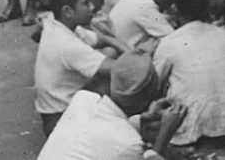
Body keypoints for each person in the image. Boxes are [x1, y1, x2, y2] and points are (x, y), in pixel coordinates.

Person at [37, 52, 188, 160]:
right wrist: (165, 134)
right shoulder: (129, 144)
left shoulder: (83, 99)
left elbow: (103, 129)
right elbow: (115, 136)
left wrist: (139, 121)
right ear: (146, 100)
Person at [153, 0, 225, 145]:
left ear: (175, 7)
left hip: (190, 130)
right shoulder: (223, 34)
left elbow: (153, 86)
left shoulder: (169, 42)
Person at [34, 0, 114, 136]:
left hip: (54, 112)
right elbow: (119, 69)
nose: (91, 7)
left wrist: (125, 49)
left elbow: (103, 39)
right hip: (60, 120)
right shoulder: (68, 44)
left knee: (109, 57)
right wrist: (138, 54)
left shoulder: (55, 23)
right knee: (114, 79)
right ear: (68, 11)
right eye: (85, 3)